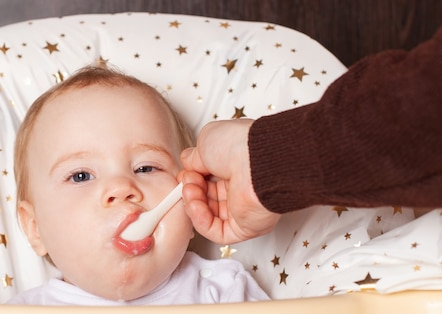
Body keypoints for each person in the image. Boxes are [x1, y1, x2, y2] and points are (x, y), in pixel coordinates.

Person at [8, 65, 268, 306]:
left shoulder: (226, 296)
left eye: (146, 168)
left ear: (191, 199)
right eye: (81, 176)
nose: (122, 188)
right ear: (35, 228)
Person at [180, 28, 442, 245]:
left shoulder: (228, 286)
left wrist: (259, 163)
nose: (135, 191)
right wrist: (257, 165)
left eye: (146, 168)